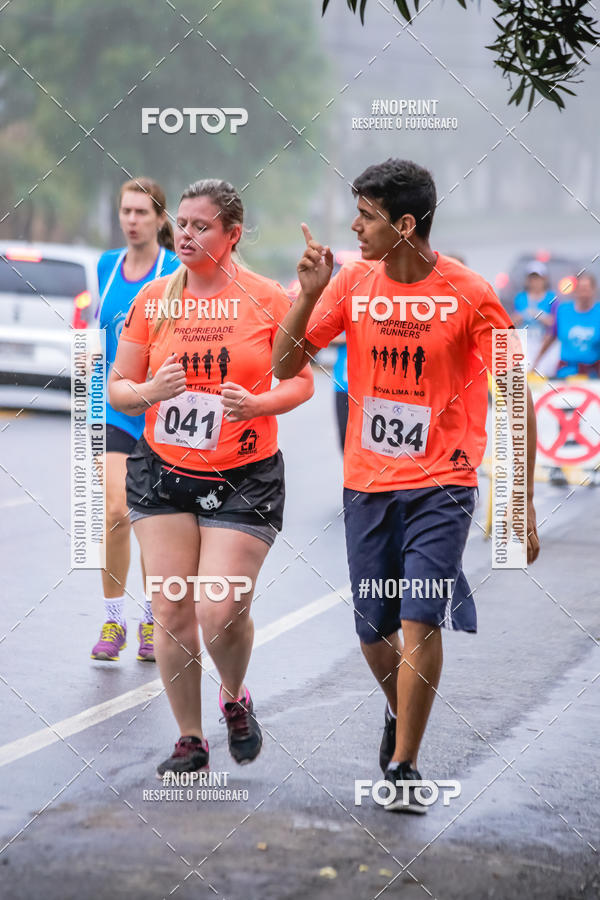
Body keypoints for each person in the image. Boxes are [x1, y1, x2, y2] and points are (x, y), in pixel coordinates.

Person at [273, 158, 540, 813]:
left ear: (406, 223)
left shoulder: (470, 292)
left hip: (443, 482)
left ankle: (404, 765)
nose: (355, 229)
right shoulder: (351, 284)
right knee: (374, 631)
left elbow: (516, 396)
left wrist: (520, 504)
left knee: (421, 611)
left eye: (366, 216)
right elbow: (283, 365)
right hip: (367, 483)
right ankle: (403, 712)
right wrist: (308, 293)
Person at [109, 178, 314, 775]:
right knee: (172, 609)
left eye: (202, 227)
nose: (187, 235)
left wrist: (258, 405)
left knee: (218, 609)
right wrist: (151, 390)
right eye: (183, 225)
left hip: (244, 473)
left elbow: (300, 379)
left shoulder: (267, 297)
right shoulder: (154, 299)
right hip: (162, 470)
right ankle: (190, 738)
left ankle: (233, 696)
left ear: (232, 234)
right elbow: (121, 390)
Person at [91, 177, 179, 663]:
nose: (131, 221)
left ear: (160, 219)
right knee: (116, 511)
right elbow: (97, 335)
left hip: (164, 412)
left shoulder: (175, 271)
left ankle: (150, 619)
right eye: (126, 211)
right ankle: (113, 619)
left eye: (142, 213)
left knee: (154, 520)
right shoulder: (106, 267)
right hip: (114, 406)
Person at [533, 272, 600, 378]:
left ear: (593, 291)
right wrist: (536, 362)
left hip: (593, 373)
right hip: (566, 371)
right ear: (576, 291)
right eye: (581, 289)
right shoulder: (563, 310)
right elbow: (551, 337)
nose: (584, 294)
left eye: (587, 289)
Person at [512, 262, 554, 372]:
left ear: (544, 279)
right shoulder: (520, 298)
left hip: (544, 342)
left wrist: (538, 315)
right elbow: (511, 322)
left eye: (538, 278)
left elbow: (554, 323)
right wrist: (524, 314)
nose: (535, 282)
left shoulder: (551, 298)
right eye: (532, 279)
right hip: (525, 342)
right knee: (523, 369)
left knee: (543, 371)